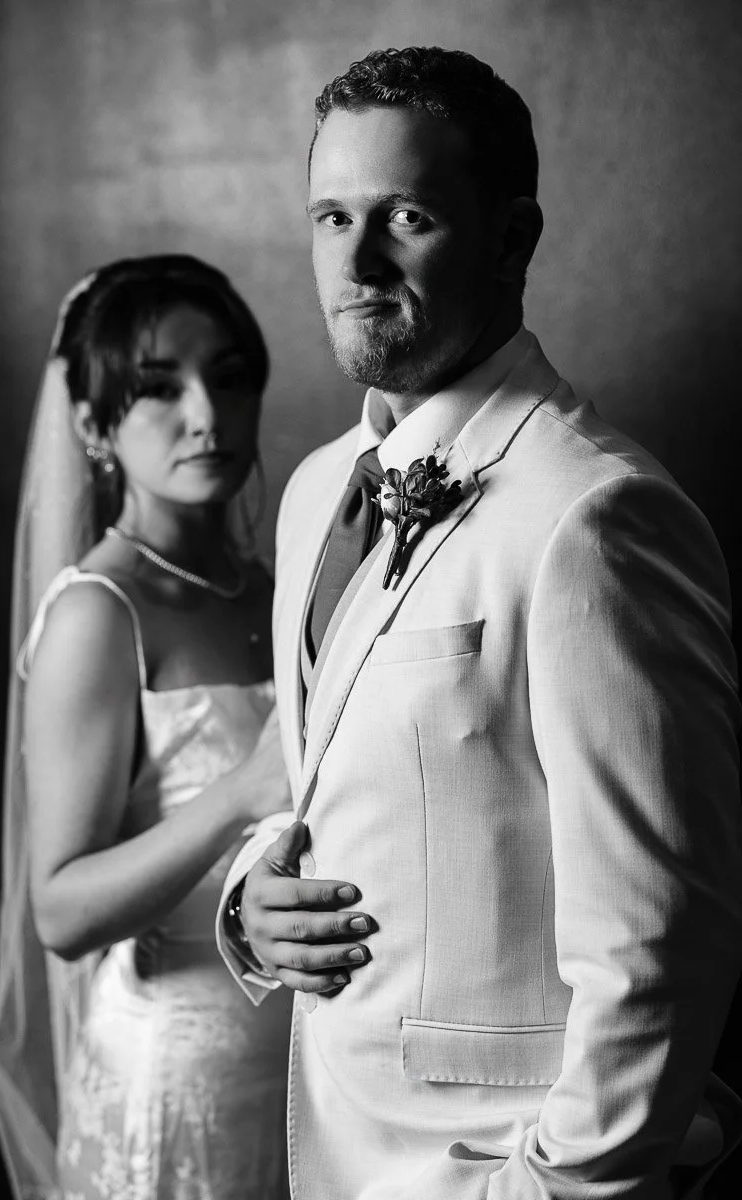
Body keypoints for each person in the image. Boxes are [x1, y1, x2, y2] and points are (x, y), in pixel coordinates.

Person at [217, 47, 742, 1200]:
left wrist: (542, 1191)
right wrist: (251, 904)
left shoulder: (596, 515)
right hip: (327, 1147)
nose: (355, 261)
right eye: (330, 217)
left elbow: (658, 949)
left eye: (403, 217)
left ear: (511, 239)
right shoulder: (312, 493)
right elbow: (324, 780)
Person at [0, 254, 293, 1200]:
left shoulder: (273, 589)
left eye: (228, 378)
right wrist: (242, 794)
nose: (206, 414)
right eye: (159, 388)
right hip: (175, 1083)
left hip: (302, 1073)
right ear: (93, 426)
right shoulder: (96, 613)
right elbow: (61, 912)